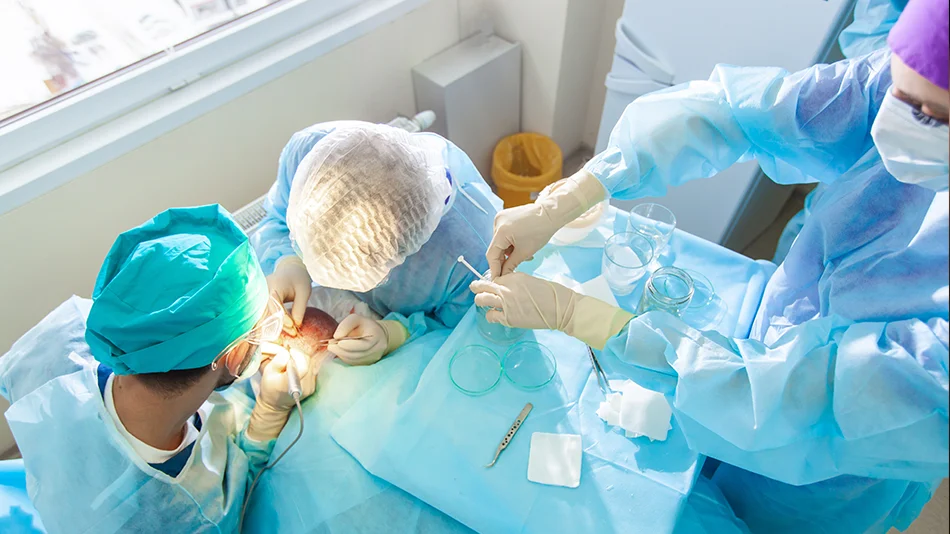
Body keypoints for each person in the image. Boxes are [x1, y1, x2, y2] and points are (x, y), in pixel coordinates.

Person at [471, 0, 948, 532]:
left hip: (833, 465)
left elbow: (800, 404)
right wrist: (578, 192)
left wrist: (581, 317)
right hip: (780, 333)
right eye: (898, 95)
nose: (895, 118)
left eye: (929, 115)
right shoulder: (905, 83)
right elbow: (740, 113)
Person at [0, 205, 318, 533]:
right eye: (259, 324)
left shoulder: (63, 335)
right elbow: (240, 501)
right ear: (235, 355)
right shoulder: (188, 514)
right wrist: (266, 418)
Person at [253, 121, 500, 365]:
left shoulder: (472, 257)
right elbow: (277, 216)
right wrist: (289, 261)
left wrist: (395, 333)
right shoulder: (310, 154)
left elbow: (461, 329)